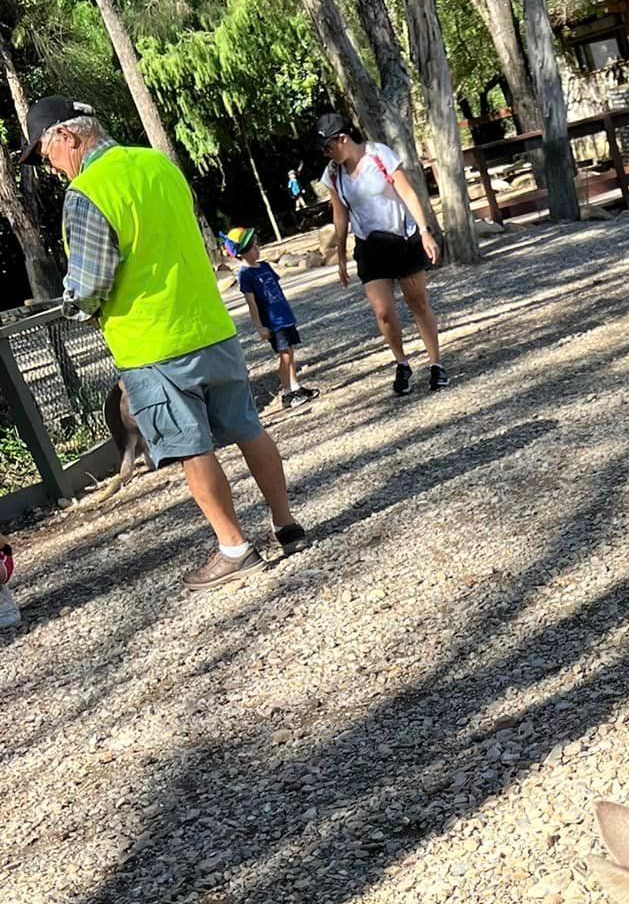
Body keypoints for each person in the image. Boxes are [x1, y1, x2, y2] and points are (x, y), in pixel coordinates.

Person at [21, 97, 306, 592]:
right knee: (247, 428)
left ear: (66, 136)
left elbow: (89, 284)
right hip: (209, 324)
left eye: (46, 152)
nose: (50, 166)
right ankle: (286, 525)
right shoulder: (158, 163)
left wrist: (72, 306)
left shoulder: (86, 192)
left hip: (152, 344)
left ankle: (234, 548)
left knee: (192, 448)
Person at [317, 113, 446, 396]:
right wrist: (339, 254)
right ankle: (401, 362)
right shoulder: (333, 174)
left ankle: (436, 363)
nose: (326, 154)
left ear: (343, 138)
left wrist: (424, 231)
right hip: (369, 246)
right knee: (383, 312)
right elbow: (340, 215)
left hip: (402, 238)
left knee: (418, 303)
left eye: (328, 147)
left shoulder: (378, 155)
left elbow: (408, 193)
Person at [230, 227, 316, 412]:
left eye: (256, 245)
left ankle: (296, 387)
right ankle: (287, 392)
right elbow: (252, 304)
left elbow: (277, 291)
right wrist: (259, 326)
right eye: (252, 248)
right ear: (242, 253)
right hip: (272, 322)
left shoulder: (265, 266)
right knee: (284, 355)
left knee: (290, 353)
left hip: (284, 316)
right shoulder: (246, 275)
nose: (257, 249)